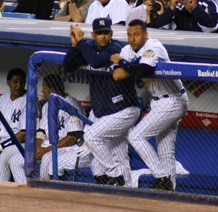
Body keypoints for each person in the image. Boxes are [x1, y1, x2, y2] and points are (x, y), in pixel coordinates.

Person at [110, 19, 189, 190]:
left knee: (136, 136)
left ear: (145, 35)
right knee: (165, 150)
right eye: (129, 35)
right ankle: (169, 192)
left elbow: (141, 70)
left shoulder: (153, 46)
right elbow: (117, 74)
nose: (132, 39)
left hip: (173, 99)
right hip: (159, 101)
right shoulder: (129, 49)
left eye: (136, 35)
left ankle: (162, 177)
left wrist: (124, 63)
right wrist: (126, 65)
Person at [63, 18, 140, 186]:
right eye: (99, 33)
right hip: (104, 112)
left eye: (106, 32)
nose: (103, 36)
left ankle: (116, 175)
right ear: (94, 34)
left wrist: (82, 42)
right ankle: (125, 190)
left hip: (122, 108)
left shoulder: (117, 47)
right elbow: (68, 66)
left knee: (91, 136)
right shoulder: (88, 48)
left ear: (111, 34)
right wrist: (75, 45)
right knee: (119, 154)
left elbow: (97, 61)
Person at [35, 74, 91, 180]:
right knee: (23, 157)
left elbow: (73, 137)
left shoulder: (71, 105)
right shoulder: (47, 106)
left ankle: (45, 190)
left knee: (48, 159)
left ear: (52, 90)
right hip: (50, 145)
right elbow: (42, 132)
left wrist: (46, 150)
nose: (42, 91)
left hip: (68, 147)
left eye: (44, 88)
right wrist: (37, 148)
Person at [0, 68, 26, 183]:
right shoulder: (3, 99)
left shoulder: (29, 101)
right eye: (15, 81)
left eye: (21, 82)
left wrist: (2, 146)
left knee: (4, 156)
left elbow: (24, 134)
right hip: (2, 142)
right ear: (8, 83)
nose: (18, 85)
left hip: (19, 144)